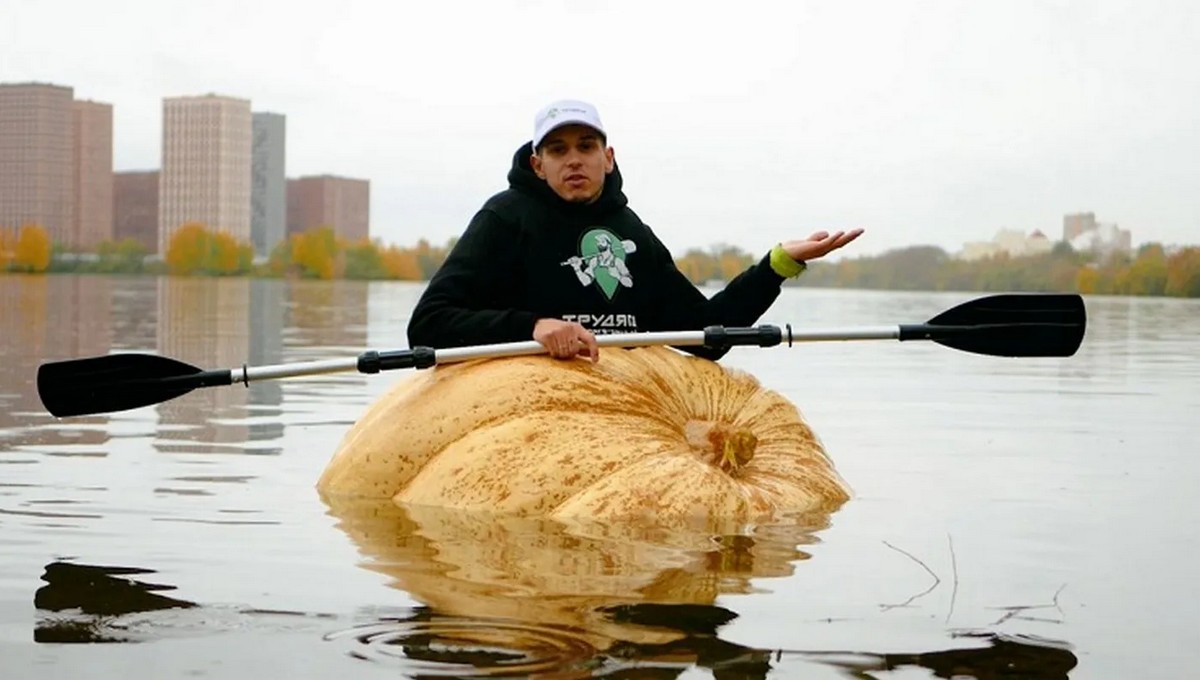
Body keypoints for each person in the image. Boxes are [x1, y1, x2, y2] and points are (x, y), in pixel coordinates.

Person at [407, 99, 863, 363]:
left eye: (586, 146)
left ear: (607, 158)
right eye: (558, 149)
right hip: (521, 403)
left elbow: (704, 337)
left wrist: (779, 264)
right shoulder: (505, 218)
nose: (573, 159)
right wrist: (534, 327)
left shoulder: (632, 232)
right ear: (537, 164)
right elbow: (429, 325)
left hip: (620, 409)